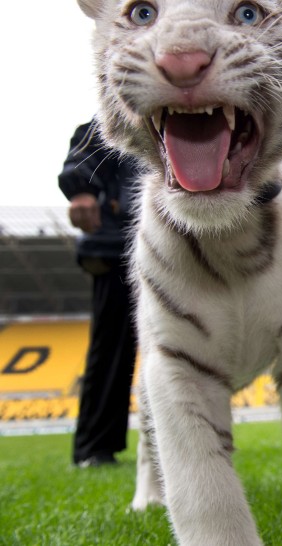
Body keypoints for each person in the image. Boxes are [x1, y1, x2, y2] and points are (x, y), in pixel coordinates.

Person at [58, 120, 140, 467]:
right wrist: (81, 190)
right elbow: (85, 150)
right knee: (111, 347)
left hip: (184, 244)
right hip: (120, 245)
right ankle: (94, 447)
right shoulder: (113, 119)